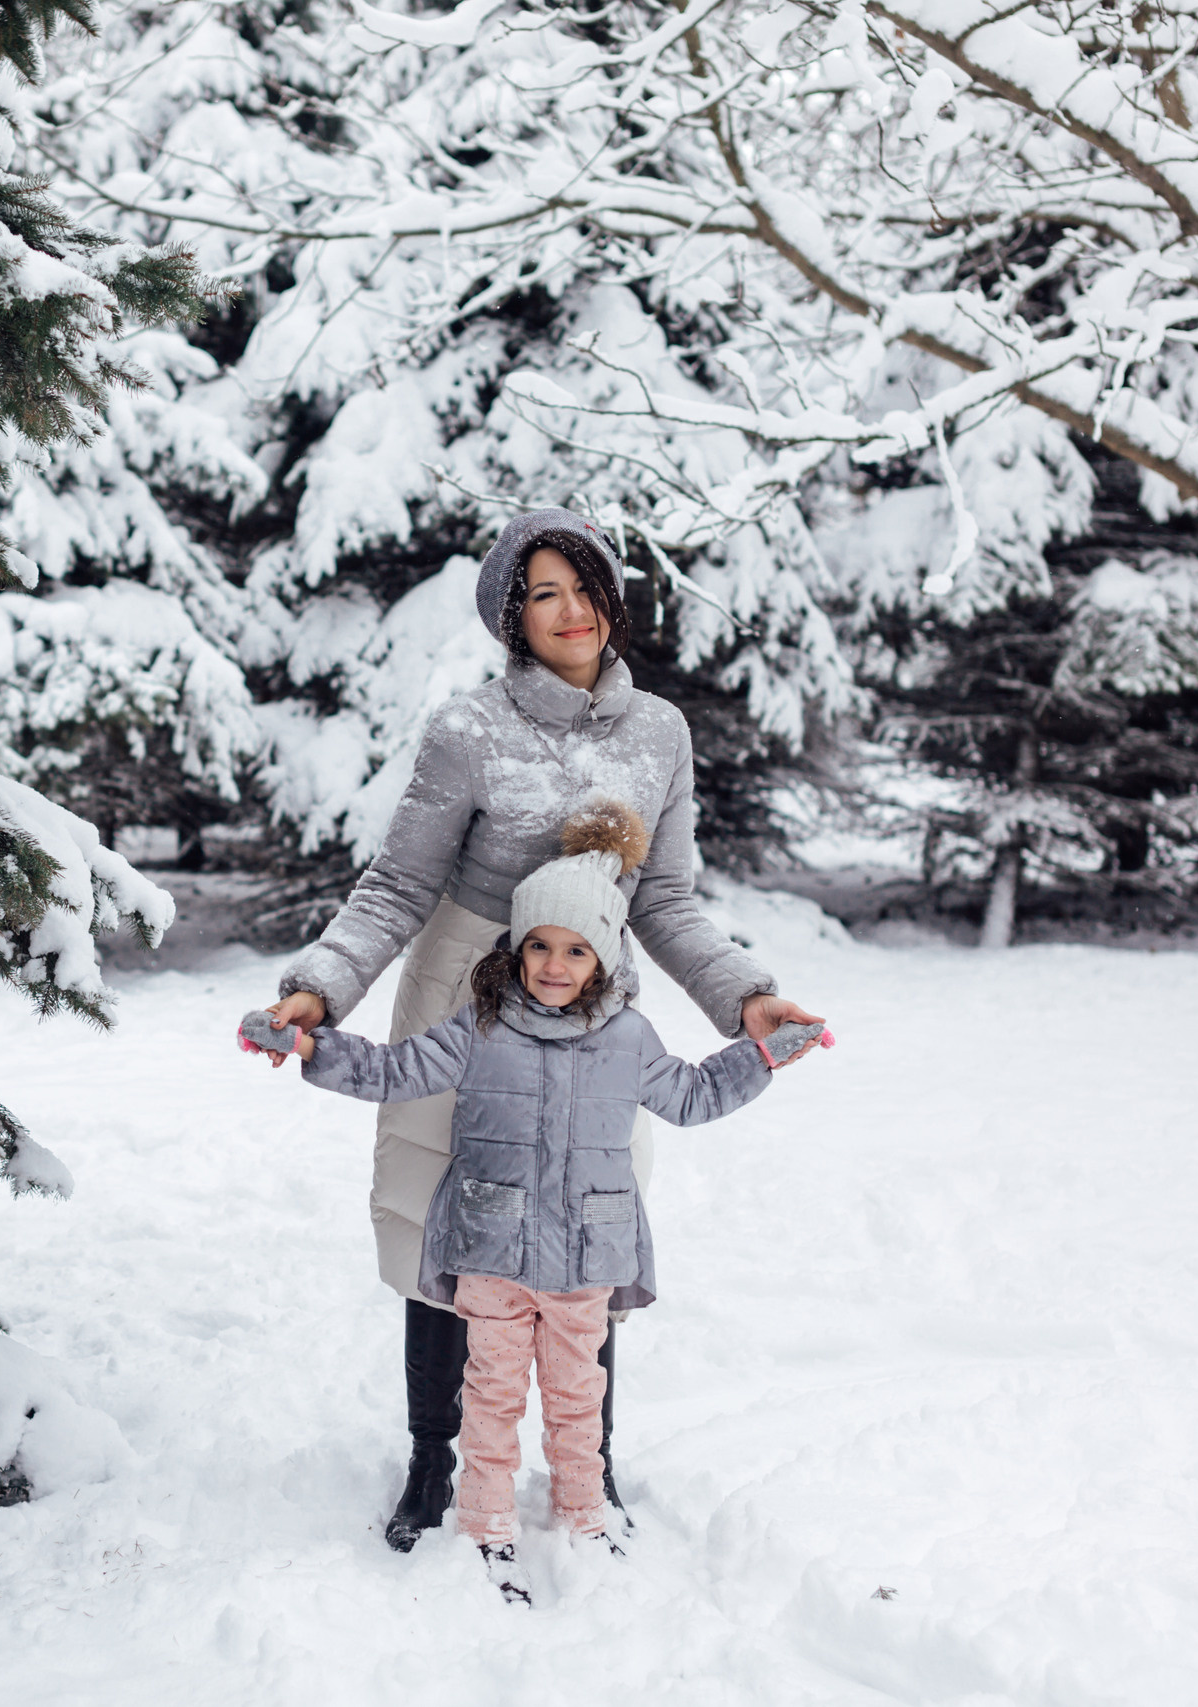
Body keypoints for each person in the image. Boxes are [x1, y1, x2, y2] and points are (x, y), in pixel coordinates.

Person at [258, 506, 823, 1552]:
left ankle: (584, 1462)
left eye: (582, 587)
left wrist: (745, 996)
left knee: (585, 1215)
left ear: (611, 596)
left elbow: (668, 902)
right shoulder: (467, 730)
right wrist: (319, 990)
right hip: (466, 983)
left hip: (595, 989)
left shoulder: (659, 731)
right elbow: (396, 886)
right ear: (513, 619)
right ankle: (436, 1459)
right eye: (541, 594)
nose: (568, 611)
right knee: (446, 1220)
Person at [249, 805, 801, 1600]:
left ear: (603, 958)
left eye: (576, 949)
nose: (553, 963)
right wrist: (307, 1045)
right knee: (492, 1395)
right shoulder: (478, 1026)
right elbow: (390, 1072)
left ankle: (584, 1510)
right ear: (514, 947)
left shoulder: (629, 1039)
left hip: (586, 1254)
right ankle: (485, 1522)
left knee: (581, 1398)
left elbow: (694, 1093)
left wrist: (762, 1054)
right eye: (539, 943)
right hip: (493, 1247)